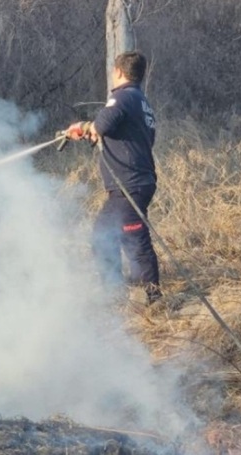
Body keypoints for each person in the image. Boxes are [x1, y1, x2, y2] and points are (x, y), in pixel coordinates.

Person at [64, 51, 162, 305]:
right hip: (135, 183)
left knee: (135, 239)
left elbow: (102, 124)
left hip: (129, 184)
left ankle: (153, 298)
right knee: (102, 235)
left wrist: (85, 128)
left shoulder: (121, 97)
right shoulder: (141, 101)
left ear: (118, 72)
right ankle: (114, 291)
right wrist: (92, 130)